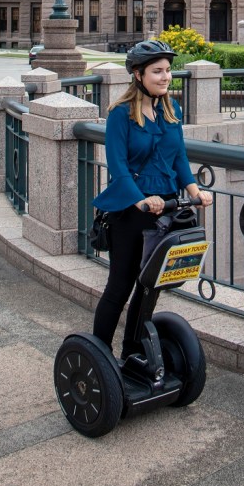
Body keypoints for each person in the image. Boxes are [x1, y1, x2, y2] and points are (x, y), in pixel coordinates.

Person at [91, 40, 213, 357]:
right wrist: (142, 201)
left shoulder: (172, 111)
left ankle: (132, 350)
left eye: (168, 70)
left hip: (167, 207)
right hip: (132, 211)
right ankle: (100, 356)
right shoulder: (121, 115)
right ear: (138, 74)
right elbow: (117, 167)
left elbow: (179, 158)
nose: (165, 77)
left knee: (149, 287)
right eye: (157, 71)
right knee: (120, 286)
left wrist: (194, 190)